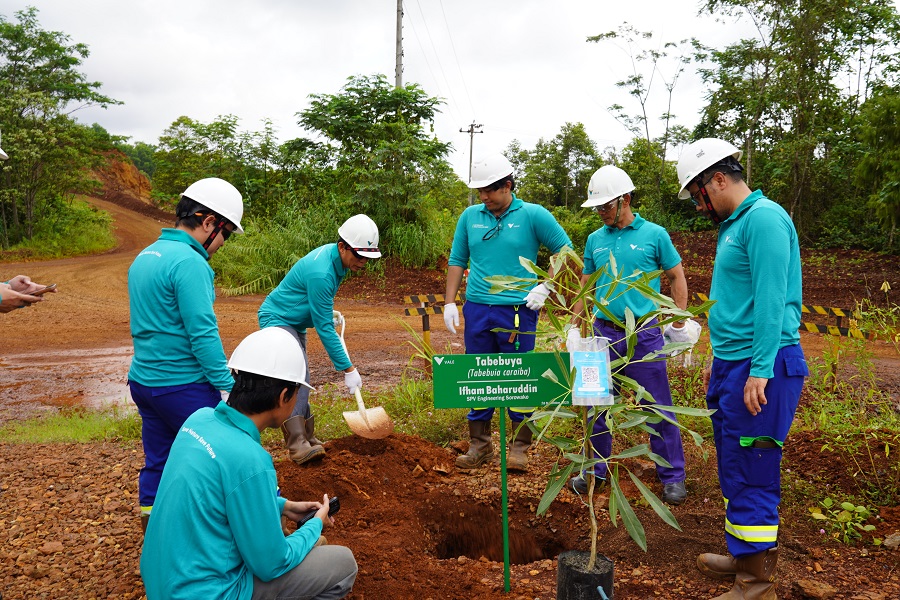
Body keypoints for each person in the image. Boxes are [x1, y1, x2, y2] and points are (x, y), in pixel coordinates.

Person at [676, 138, 807, 598]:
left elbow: (772, 300)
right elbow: (738, 304)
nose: (698, 205)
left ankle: (755, 585)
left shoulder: (765, 219)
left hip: (762, 365)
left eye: (698, 195)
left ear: (718, 178)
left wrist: (760, 368)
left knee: (754, 463)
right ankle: (742, 553)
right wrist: (720, 359)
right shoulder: (736, 224)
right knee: (734, 461)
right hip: (736, 363)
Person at [141, 326, 358, 600]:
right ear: (283, 397)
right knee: (343, 564)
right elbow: (271, 564)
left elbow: (217, 498)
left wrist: (283, 505)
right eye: (297, 394)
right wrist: (315, 526)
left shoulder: (198, 421)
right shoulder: (251, 459)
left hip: (163, 586)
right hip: (208, 593)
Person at [567, 165, 698, 505]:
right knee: (594, 404)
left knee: (656, 406)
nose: (601, 213)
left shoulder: (654, 234)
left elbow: (676, 276)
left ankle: (672, 475)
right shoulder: (595, 239)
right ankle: (595, 469)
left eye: (605, 206)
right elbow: (587, 284)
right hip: (601, 335)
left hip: (643, 335)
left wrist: (678, 320)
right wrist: (572, 325)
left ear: (624, 200)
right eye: (597, 208)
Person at [127, 177, 243, 532]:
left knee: (159, 458)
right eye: (224, 234)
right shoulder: (191, 263)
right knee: (226, 455)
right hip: (181, 386)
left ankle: (154, 528)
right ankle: (241, 530)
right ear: (208, 222)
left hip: (144, 383)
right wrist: (229, 385)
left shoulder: (146, 255)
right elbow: (203, 334)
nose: (221, 243)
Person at [443, 154, 572, 472]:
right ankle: (480, 444)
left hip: (518, 310)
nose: (484, 197)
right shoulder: (470, 217)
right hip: (477, 310)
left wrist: (546, 286)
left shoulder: (532, 215)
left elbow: (565, 250)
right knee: (478, 374)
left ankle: (519, 448)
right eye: (480, 191)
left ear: (508, 186)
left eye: (490, 190)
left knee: (519, 376)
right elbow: (458, 259)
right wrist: (449, 302)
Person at [258, 214, 381, 465]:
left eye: (368, 257)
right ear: (342, 246)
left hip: (295, 320)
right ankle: (297, 444)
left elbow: (315, 305)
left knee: (300, 375)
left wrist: (324, 312)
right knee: (298, 376)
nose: (363, 262)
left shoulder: (337, 261)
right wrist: (348, 367)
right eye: (359, 255)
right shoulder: (323, 272)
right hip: (278, 318)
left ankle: (307, 438)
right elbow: (324, 328)